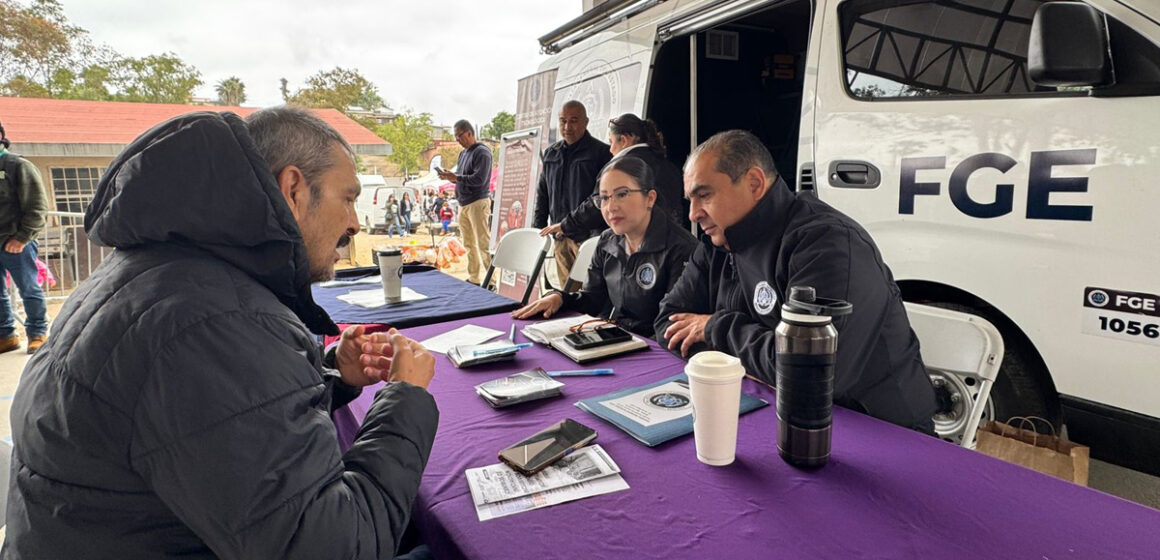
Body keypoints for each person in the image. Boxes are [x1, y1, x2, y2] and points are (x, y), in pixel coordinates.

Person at [4, 107, 440, 559]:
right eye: (347, 198)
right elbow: (341, 547)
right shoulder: (215, 325)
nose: (355, 222)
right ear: (292, 189)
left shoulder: (156, 274)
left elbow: (219, 426)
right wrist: (404, 397)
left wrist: (333, 376)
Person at [655, 130, 938, 432]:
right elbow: (668, 323)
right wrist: (739, 364)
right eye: (690, 200)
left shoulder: (826, 242)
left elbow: (810, 372)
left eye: (705, 195)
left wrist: (714, 328)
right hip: (766, 409)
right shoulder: (718, 241)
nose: (694, 214)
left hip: (874, 429)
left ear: (754, 183)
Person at [512, 156, 696, 337]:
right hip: (618, 337)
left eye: (622, 194)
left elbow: (673, 324)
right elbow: (593, 300)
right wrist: (560, 298)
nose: (611, 207)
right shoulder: (608, 241)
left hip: (655, 349)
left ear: (650, 198)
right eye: (604, 198)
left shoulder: (681, 249)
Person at [554, 113, 687, 239]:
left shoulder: (617, 169)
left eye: (611, 142)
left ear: (624, 140)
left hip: (632, 243)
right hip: (670, 240)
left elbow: (595, 206)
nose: (610, 150)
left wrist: (566, 225)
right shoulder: (669, 166)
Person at [533, 101, 612, 287]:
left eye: (574, 120)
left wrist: (567, 225)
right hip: (561, 238)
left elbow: (598, 200)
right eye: (563, 121)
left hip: (589, 239)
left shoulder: (601, 153)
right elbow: (543, 193)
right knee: (566, 295)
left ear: (586, 122)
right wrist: (539, 229)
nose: (567, 127)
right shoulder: (551, 154)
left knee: (590, 295)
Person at [0, 120, 48, 354]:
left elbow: (38, 207)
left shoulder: (17, 166)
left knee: (29, 289)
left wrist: (22, 238)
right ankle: (6, 336)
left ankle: (37, 334)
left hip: (15, 242)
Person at [437, 120, 492, 284]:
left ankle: (492, 280)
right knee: (468, 243)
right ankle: (474, 277)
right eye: (455, 136)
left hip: (478, 202)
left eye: (459, 135)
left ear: (469, 133)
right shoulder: (463, 154)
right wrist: (451, 177)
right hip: (463, 203)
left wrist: (456, 177)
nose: (457, 140)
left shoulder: (482, 152)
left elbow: (479, 179)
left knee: (483, 243)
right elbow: (462, 179)